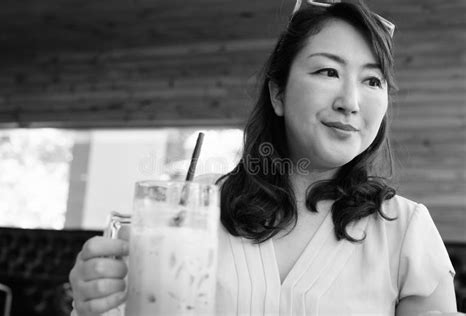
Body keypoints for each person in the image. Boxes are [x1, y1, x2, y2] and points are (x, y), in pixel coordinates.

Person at [69, 1, 459, 315]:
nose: (350, 103)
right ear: (278, 94)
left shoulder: (405, 231)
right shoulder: (189, 211)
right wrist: (95, 304)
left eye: (372, 80)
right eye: (327, 71)